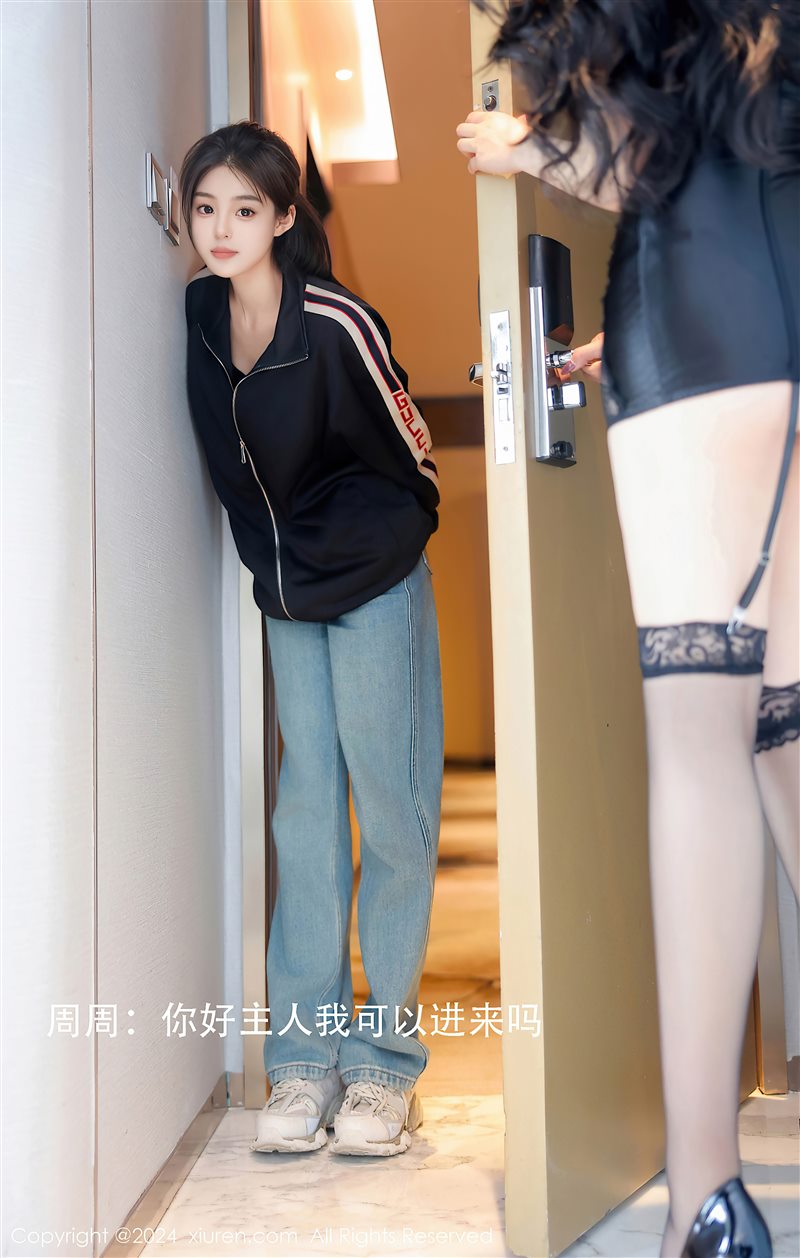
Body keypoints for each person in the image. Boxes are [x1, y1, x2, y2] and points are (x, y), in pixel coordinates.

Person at [456, 2, 798, 1255]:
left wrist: (522, 146)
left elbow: (638, 156)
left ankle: (705, 1197)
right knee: (784, 730)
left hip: (701, 324)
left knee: (700, 747)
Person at [180, 121, 444, 1158]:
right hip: (287, 593)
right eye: (206, 208)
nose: (222, 229)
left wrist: (383, 540)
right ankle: (303, 1062)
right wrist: (276, 558)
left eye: (245, 209)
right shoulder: (202, 314)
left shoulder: (334, 319)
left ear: (285, 217)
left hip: (373, 580)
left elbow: (412, 445)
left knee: (392, 811)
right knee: (303, 819)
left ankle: (385, 1073)